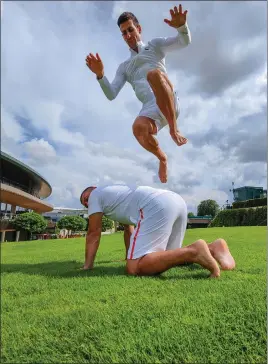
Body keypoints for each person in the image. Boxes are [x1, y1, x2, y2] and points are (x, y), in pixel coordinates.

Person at [85, 4, 191, 183]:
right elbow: (111, 94)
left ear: (138, 29)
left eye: (130, 30)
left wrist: (182, 27)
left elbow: (184, 42)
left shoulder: (154, 46)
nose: (128, 36)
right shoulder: (124, 67)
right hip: (150, 109)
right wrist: (100, 75)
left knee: (154, 74)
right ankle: (162, 158)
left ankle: (174, 130)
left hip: (168, 100)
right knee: (137, 128)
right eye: (124, 33)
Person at [79, 185, 236, 278]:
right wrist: (129, 256)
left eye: (85, 199)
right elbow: (128, 228)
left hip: (155, 206)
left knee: (134, 268)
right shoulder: (114, 196)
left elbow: (94, 232)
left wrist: (88, 266)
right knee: (167, 258)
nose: (86, 204)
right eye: (84, 203)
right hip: (175, 201)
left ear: (91, 191)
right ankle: (213, 247)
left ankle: (195, 251)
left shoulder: (95, 195)